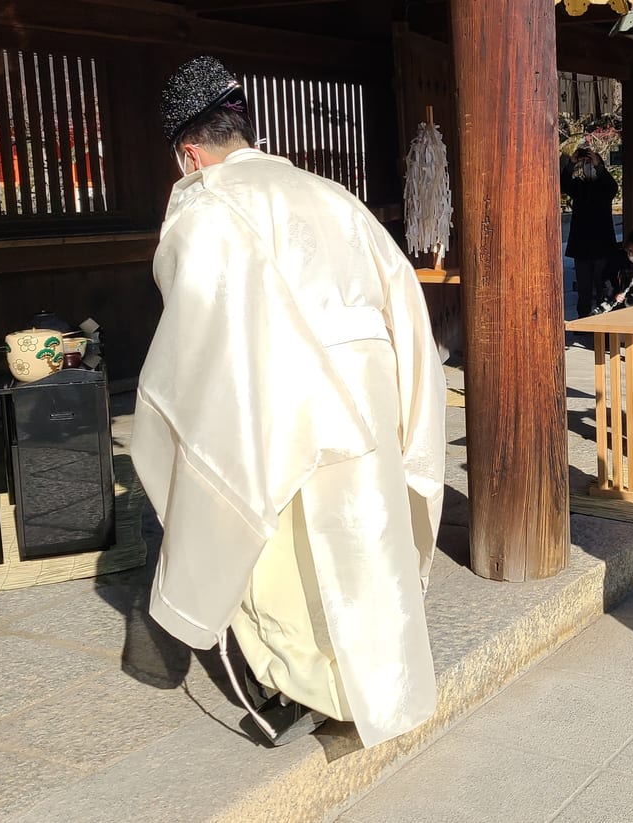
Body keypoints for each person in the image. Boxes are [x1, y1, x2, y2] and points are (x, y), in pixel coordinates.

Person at [134, 56, 446, 748]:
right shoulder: (330, 193)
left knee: (292, 560)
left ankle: (306, 688)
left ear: (188, 152)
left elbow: (200, 334)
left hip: (281, 402)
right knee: (367, 549)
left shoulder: (204, 204)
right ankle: (380, 689)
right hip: (368, 392)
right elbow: (403, 299)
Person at [561, 145, 620, 317]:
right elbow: (564, 184)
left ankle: (604, 321)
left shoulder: (604, 188)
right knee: (584, 289)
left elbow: (612, 186)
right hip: (582, 246)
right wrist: (572, 162)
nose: (588, 166)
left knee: (604, 286)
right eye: (586, 164)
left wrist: (598, 165)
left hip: (602, 244)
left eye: (590, 164)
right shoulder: (578, 186)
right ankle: (583, 320)